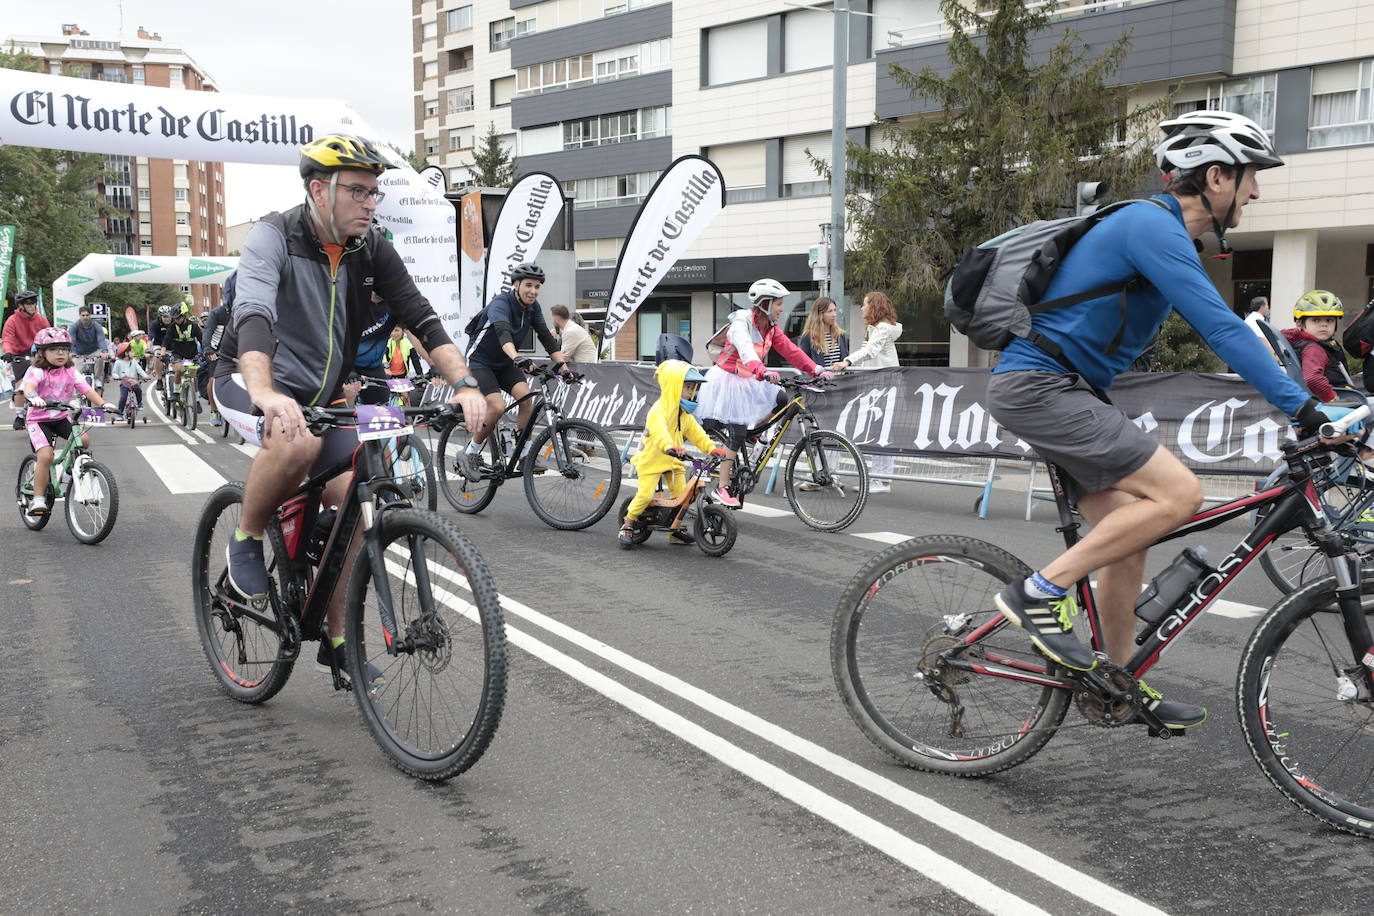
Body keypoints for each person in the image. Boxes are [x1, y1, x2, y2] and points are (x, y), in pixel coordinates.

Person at [984, 109, 1330, 731]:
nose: (1256, 191)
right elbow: (1223, 328)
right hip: (1041, 387)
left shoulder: (1163, 235)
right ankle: (1038, 593)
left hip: (1066, 391)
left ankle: (1114, 681)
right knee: (1180, 493)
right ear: (1217, 176)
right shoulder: (1150, 223)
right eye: (1252, 177)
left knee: (1128, 532)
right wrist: (1304, 407)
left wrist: (1310, 403)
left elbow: (1244, 335)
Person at [211, 133, 486, 682]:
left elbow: (420, 316)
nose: (370, 203)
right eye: (358, 191)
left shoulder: (372, 248)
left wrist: (465, 382)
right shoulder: (272, 237)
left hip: (327, 396)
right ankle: (246, 535)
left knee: (363, 505)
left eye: (374, 193)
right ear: (318, 189)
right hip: (246, 377)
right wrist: (266, 393)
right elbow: (256, 316)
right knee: (296, 440)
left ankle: (338, 642)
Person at [697, 278, 833, 508]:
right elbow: (746, 349)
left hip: (751, 378)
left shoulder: (771, 328)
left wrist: (816, 369)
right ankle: (722, 487)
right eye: (779, 304)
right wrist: (761, 370)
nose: (782, 309)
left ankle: (755, 434)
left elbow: (791, 351)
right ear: (764, 303)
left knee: (781, 399)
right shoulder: (742, 322)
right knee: (736, 433)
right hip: (729, 381)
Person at [455, 262, 569, 479]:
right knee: (497, 407)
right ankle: (470, 453)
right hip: (480, 361)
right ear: (516, 284)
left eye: (537, 287)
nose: (533, 291)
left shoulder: (533, 308)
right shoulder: (501, 303)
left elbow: (546, 337)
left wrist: (564, 369)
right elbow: (503, 333)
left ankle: (524, 455)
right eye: (528, 285)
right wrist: (517, 357)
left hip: (505, 363)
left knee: (527, 400)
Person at [618, 360, 727, 547]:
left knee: (683, 496)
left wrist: (711, 448)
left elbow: (697, 433)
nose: (690, 392)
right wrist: (669, 446)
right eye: (687, 387)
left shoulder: (683, 413)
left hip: (675, 461)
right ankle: (627, 525)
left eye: (692, 388)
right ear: (673, 385)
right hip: (653, 460)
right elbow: (660, 432)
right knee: (644, 496)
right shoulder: (658, 410)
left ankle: (674, 530)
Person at [18, 327, 113, 517]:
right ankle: (37, 498)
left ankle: (69, 475)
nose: (60, 353)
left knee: (83, 440)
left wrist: (103, 404)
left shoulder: (70, 371)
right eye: (54, 349)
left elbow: (86, 389)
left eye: (64, 349)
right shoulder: (38, 371)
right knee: (45, 456)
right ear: (42, 352)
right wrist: (33, 396)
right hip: (39, 420)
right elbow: (29, 386)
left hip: (61, 417)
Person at [834, 291, 903, 492]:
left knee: (881, 432)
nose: (862, 308)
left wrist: (847, 361)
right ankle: (880, 479)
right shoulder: (876, 328)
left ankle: (882, 480)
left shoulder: (882, 328)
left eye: (865, 304)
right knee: (878, 431)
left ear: (874, 307)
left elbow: (870, 351)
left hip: (885, 385)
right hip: (879, 385)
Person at [1280, 290, 1351, 403]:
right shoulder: (1314, 349)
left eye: (1329, 320)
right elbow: (1313, 379)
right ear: (1299, 323)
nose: (1324, 324)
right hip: (1336, 404)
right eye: (1316, 320)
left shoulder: (1308, 343)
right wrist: (1334, 399)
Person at [3, 289, 50, 429]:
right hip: (20, 355)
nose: (31, 306)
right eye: (28, 303)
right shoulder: (12, 320)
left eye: (33, 303)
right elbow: (7, 338)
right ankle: (19, 416)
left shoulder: (40, 318)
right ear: (20, 306)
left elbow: (49, 334)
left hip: (38, 354)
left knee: (46, 381)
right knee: (20, 385)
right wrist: (8, 351)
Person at [795, 297, 848, 369]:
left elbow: (845, 359)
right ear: (820, 314)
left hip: (840, 378)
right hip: (820, 379)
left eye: (834, 310)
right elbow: (803, 362)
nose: (834, 314)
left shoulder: (840, 335)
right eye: (830, 311)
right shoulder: (809, 336)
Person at [68, 305, 112, 388]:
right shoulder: (74, 327)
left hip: (94, 351)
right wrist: (70, 352)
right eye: (83, 315)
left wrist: (104, 351)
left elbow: (101, 339)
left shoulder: (97, 326)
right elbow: (72, 340)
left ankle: (97, 379)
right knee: (76, 377)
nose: (85, 317)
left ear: (90, 315)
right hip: (79, 353)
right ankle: (78, 398)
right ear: (80, 315)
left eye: (87, 315)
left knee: (100, 359)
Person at [110, 342, 150, 414]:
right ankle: (120, 413)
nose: (133, 353)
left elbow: (140, 370)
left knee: (138, 391)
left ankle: (139, 403)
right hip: (124, 383)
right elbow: (114, 372)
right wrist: (116, 377)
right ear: (126, 353)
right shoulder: (118, 362)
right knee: (123, 398)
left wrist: (145, 376)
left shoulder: (134, 362)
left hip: (134, 382)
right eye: (131, 351)